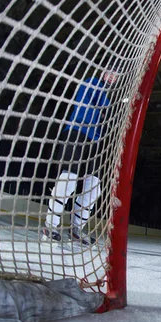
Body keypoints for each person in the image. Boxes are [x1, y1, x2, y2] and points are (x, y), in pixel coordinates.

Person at [42, 65, 119, 245]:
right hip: (76, 133)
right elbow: (101, 104)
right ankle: (50, 225)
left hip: (93, 142)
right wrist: (112, 108)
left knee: (94, 186)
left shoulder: (106, 98)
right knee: (68, 179)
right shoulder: (92, 83)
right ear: (103, 73)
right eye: (111, 73)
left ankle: (76, 229)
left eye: (115, 76)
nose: (113, 78)